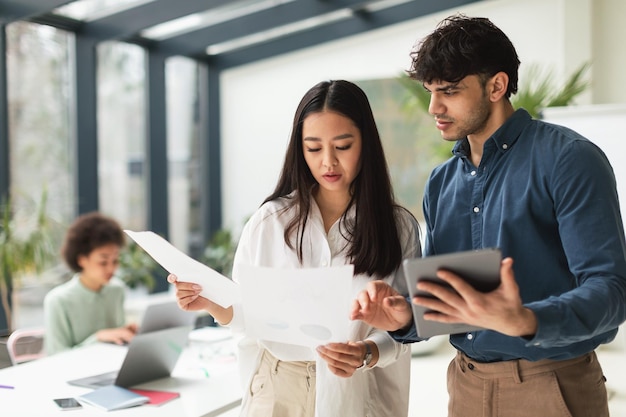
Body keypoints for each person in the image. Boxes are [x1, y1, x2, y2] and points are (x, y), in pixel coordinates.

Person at [351, 14, 626, 417]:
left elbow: (612, 289)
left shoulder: (570, 160)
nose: (434, 107)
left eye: (449, 91)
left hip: (551, 385)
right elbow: (447, 302)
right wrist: (406, 315)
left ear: (497, 86)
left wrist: (528, 320)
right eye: (430, 91)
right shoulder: (441, 182)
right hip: (465, 386)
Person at [167, 80, 421, 417]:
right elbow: (248, 316)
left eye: (343, 146)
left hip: (356, 389)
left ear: (366, 144)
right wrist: (211, 303)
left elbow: (408, 328)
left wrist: (367, 352)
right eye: (314, 148)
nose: (328, 162)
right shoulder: (270, 221)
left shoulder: (398, 228)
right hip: (277, 388)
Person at [44, 212, 138, 355]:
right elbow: (56, 356)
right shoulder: (58, 300)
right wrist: (98, 338)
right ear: (82, 260)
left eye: (115, 260)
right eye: (103, 262)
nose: (111, 268)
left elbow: (117, 342)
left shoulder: (117, 290)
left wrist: (125, 333)